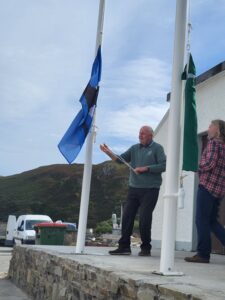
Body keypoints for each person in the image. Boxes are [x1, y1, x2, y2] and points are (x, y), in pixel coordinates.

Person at [100, 125, 166, 256]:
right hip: (134, 188)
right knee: (127, 216)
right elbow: (120, 160)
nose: (140, 136)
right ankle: (124, 247)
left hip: (151, 189)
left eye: (143, 134)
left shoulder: (158, 148)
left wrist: (146, 168)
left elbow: (163, 166)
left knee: (145, 218)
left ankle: (146, 248)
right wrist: (108, 152)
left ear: (150, 135)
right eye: (139, 133)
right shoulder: (134, 148)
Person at [185, 119, 225, 263]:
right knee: (212, 221)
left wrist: (197, 165)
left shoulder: (214, 143)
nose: (208, 129)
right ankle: (203, 253)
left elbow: (209, 163)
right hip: (218, 189)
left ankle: (203, 254)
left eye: (210, 126)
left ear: (217, 130)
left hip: (207, 187)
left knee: (201, 220)